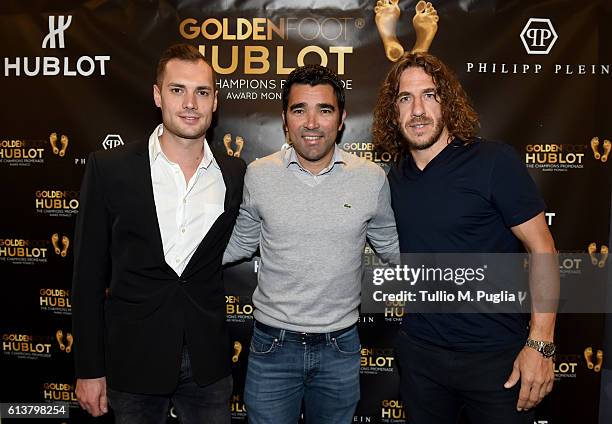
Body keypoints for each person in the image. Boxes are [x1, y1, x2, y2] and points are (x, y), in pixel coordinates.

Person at [372, 52, 558, 424]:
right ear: (393, 112)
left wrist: (541, 345)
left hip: (497, 360)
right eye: (405, 99)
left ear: (449, 102)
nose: (418, 110)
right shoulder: (391, 180)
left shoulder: (493, 162)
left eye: (430, 95)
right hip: (421, 357)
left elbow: (543, 248)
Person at [72, 43, 246, 423]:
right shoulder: (110, 168)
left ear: (215, 101)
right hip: (133, 363)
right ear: (157, 94)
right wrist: (88, 368)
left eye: (202, 92)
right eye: (177, 89)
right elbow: (87, 276)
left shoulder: (234, 175)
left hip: (207, 366)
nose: (190, 103)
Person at [223, 64, 399, 423]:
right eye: (299, 110)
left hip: (340, 348)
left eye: (325, 110)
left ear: (342, 117)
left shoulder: (370, 178)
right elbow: (238, 243)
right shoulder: (259, 174)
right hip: (272, 346)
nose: (312, 122)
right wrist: (163, 263)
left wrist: (476, 279)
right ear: (285, 118)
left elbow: (394, 249)